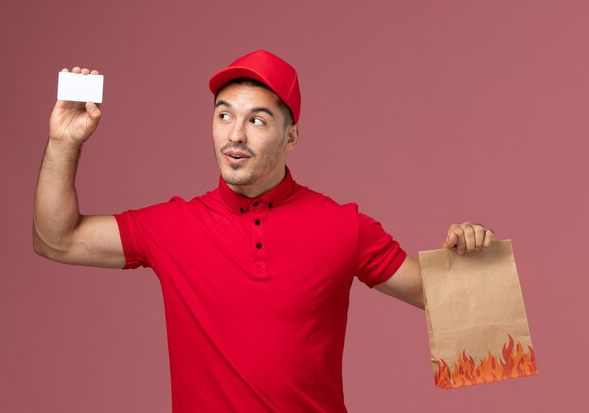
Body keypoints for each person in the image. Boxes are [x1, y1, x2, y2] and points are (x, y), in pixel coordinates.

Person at [33, 50, 494, 412]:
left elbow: (448, 300)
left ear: (290, 136)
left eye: (257, 120)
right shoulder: (171, 227)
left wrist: (469, 259)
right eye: (224, 115)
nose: (235, 135)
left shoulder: (344, 226)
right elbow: (56, 239)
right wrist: (63, 143)